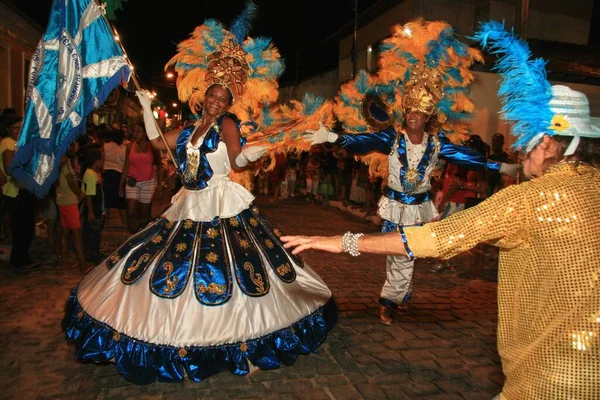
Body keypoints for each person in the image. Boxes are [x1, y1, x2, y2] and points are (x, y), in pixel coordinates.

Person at [283, 23, 599, 400]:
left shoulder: (511, 190)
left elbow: (440, 225)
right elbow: (364, 140)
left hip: (553, 375)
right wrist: (335, 137)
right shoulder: (393, 137)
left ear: (547, 143)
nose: (518, 151)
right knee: (400, 260)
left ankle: (393, 300)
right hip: (396, 206)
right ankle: (390, 299)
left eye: (524, 143)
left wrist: (337, 241)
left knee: (407, 258)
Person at [63, 5, 335, 384]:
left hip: (220, 203)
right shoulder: (191, 126)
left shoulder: (226, 124)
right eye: (213, 95)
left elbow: (238, 160)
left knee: (232, 269)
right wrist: (145, 107)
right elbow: (159, 143)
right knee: (169, 264)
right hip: (188, 203)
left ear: (229, 102)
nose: (217, 101)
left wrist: (261, 148)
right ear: (204, 94)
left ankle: (241, 337)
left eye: (224, 98)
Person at [0, 116, 39, 270]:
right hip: (16, 190)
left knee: (25, 225)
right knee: (22, 226)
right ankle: (20, 259)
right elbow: (10, 167)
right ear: (8, 129)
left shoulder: (17, 143)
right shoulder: (8, 143)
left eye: (20, 128)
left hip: (22, 188)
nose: (18, 131)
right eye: (15, 128)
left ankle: (22, 257)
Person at [119, 123, 161, 233]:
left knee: (144, 214)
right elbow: (126, 165)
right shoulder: (130, 146)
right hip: (132, 181)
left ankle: (142, 236)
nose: (135, 134)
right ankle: (132, 234)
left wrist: (160, 183)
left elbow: (158, 164)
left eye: (139, 132)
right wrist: (121, 184)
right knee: (131, 212)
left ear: (145, 133)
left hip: (148, 182)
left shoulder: (152, 146)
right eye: (134, 131)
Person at [55, 143, 87, 271]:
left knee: (64, 231)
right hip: (69, 200)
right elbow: (70, 183)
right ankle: (82, 263)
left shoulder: (56, 161)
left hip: (61, 198)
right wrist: (81, 193)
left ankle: (64, 261)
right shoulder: (64, 161)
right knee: (76, 233)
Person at [80, 145, 105, 263]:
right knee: (92, 232)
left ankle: (94, 251)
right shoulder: (90, 175)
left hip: (96, 206)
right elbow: (89, 195)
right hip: (93, 208)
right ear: (96, 161)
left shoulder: (93, 173)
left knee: (94, 231)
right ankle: (92, 253)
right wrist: (90, 211)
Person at [102, 128, 127, 227]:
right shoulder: (124, 148)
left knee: (106, 202)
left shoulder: (105, 146)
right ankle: (125, 224)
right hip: (119, 176)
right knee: (121, 202)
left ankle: (104, 224)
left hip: (107, 175)